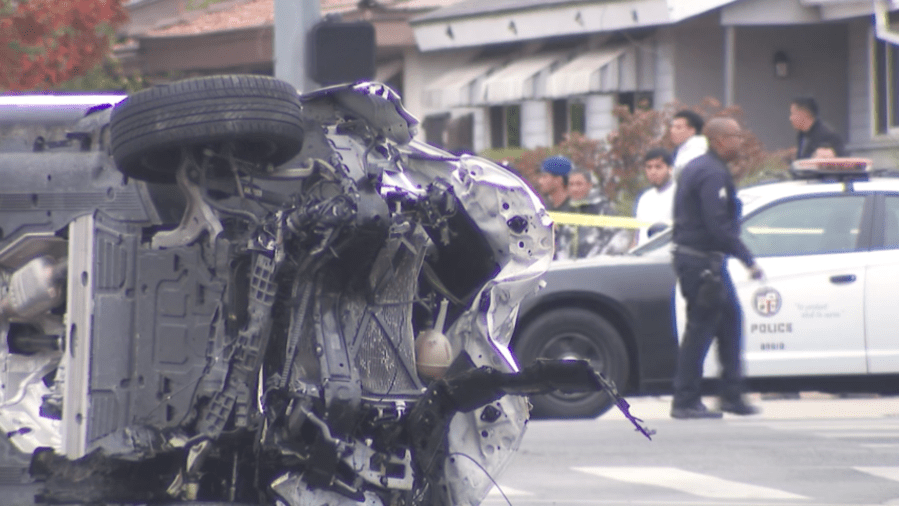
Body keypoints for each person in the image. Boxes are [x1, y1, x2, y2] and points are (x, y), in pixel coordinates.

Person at [670, 117, 764, 420]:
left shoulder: (703, 167)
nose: (741, 141)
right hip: (701, 262)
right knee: (700, 329)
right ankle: (685, 401)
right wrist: (747, 258)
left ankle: (732, 395)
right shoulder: (710, 172)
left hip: (704, 261)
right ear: (721, 140)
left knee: (729, 323)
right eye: (737, 136)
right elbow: (717, 223)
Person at [563, 170, 618, 258]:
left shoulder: (603, 210)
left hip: (594, 266)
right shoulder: (568, 210)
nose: (574, 188)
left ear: (589, 185)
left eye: (579, 184)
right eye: (571, 184)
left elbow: (613, 242)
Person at [634, 148, 676, 246]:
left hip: (666, 258)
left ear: (670, 169)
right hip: (643, 258)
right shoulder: (644, 198)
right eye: (649, 167)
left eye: (658, 167)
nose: (653, 172)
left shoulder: (679, 193)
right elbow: (638, 234)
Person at [670, 110, 708, 178]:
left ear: (692, 130)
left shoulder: (696, 153)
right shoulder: (682, 149)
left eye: (678, 127)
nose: (672, 130)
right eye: (672, 126)